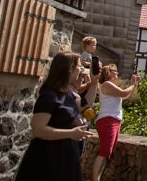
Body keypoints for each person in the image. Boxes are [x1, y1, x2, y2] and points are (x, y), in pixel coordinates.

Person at [14, 52, 95, 181]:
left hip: (67, 154)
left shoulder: (69, 95)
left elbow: (87, 107)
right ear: (69, 69)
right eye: (78, 65)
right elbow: (38, 129)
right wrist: (70, 133)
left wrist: (94, 83)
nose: (81, 69)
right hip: (48, 157)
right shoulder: (49, 96)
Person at [92, 64, 139, 181]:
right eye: (115, 71)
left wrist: (133, 84)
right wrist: (133, 84)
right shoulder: (107, 84)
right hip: (108, 120)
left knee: (106, 153)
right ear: (109, 72)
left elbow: (125, 96)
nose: (117, 73)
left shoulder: (109, 86)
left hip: (112, 121)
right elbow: (124, 93)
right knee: (104, 152)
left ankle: (97, 178)